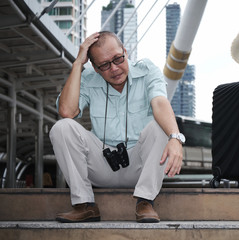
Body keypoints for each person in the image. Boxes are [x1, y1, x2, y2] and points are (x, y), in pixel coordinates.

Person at [49, 31, 185, 223]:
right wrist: (78, 63)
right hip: (103, 166)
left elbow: (160, 103)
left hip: (140, 166)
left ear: (125, 52)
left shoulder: (147, 70)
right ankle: (84, 205)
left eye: (118, 59)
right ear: (95, 68)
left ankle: (145, 202)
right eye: (104, 65)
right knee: (62, 127)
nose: (114, 68)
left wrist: (175, 137)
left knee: (160, 126)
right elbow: (67, 111)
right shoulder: (87, 78)